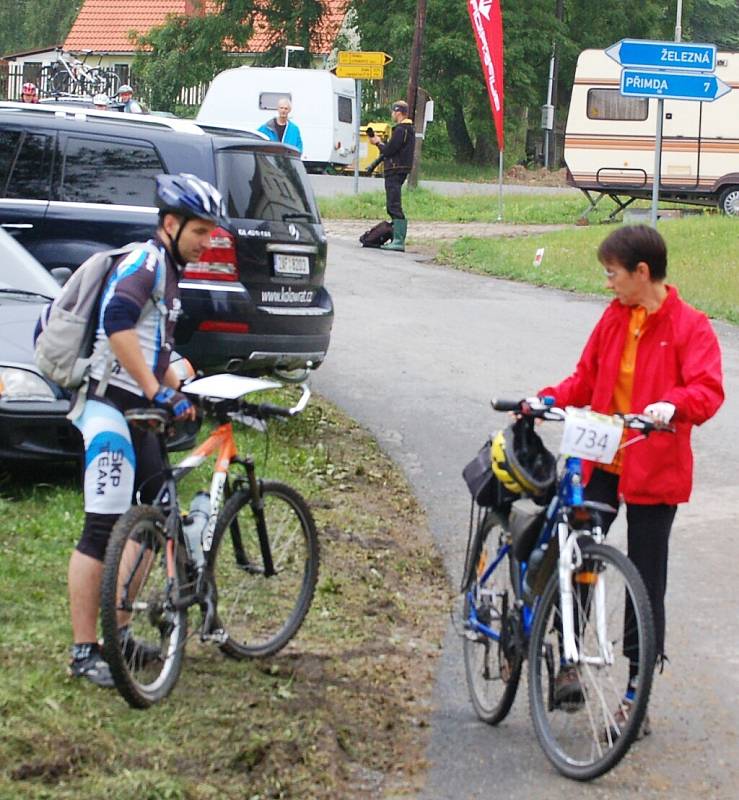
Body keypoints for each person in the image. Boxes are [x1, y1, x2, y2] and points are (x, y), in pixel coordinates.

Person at [536, 224, 724, 732]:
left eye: (612, 274)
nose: (607, 283)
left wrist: (674, 404)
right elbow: (586, 379)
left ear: (642, 272)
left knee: (645, 578)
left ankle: (636, 694)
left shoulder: (691, 326)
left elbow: (707, 390)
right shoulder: (614, 318)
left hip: (655, 466)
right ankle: (569, 659)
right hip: (601, 459)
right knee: (578, 555)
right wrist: (548, 399)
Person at [65, 173, 227, 687]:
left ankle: (119, 634)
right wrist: (156, 390)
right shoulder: (147, 261)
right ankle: (84, 651)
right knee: (101, 529)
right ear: (170, 224)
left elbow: (151, 342)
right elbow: (116, 322)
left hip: (139, 410)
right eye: (200, 232)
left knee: (158, 517)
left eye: (210, 233)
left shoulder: (170, 270)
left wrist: (176, 385)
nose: (208, 242)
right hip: (109, 409)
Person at [368, 100, 415, 252]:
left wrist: (378, 143)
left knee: (393, 204)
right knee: (393, 203)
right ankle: (396, 238)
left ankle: (398, 240)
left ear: (398, 112)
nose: (392, 114)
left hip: (395, 169)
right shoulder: (408, 129)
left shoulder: (402, 129)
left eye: (394, 112)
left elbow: (389, 151)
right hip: (400, 169)